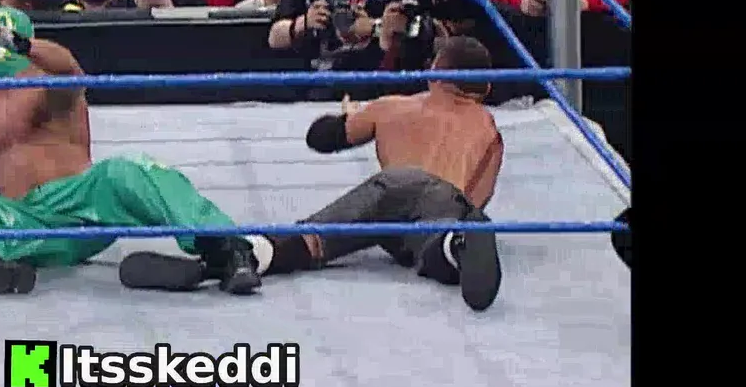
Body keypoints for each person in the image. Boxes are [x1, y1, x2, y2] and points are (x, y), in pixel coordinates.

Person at [119, 36, 506, 312]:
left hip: (388, 187)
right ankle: (455, 246)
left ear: (434, 73)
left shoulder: (392, 107)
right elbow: (475, 200)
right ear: (486, 87)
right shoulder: (487, 129)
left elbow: (321, 138)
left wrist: (350, 118)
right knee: (443, 236)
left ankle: (236, 257)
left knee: (311, 239)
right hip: (440, 199)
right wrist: (463, 221)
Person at [0, 6, 265, 297]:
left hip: (82, 207)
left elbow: (71, 69)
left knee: (128, 170)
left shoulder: (45, 85)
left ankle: (228, 250)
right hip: (25, 224)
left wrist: (25, 46)